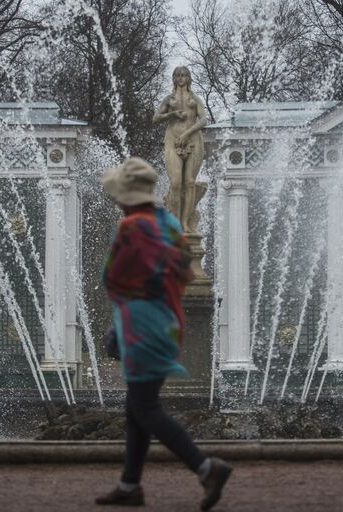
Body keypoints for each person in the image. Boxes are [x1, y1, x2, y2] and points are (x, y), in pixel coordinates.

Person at [96, 157, 232, 510]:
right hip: (169, 322)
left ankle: (205, 468)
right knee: (136, 406)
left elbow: (111, 277)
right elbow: (184, 274)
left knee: (144, 405)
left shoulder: (132, 227)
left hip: (142, 327)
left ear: (126, 196)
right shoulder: (170, 224)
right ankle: (130, 486)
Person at [152, 66, 208, 233]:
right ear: (174, 79)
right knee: (176, 183)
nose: (181, 78)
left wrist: (188, 133)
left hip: (194, 140)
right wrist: (173, 114)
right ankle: (175, 222)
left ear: (189, 78)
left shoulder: (195, 99)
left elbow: (204, 120)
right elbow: (155, 118)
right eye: (178, 75)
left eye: (184, 75)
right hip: (172, 140)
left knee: (190, 182)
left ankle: (185, 223)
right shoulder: (169, 99)